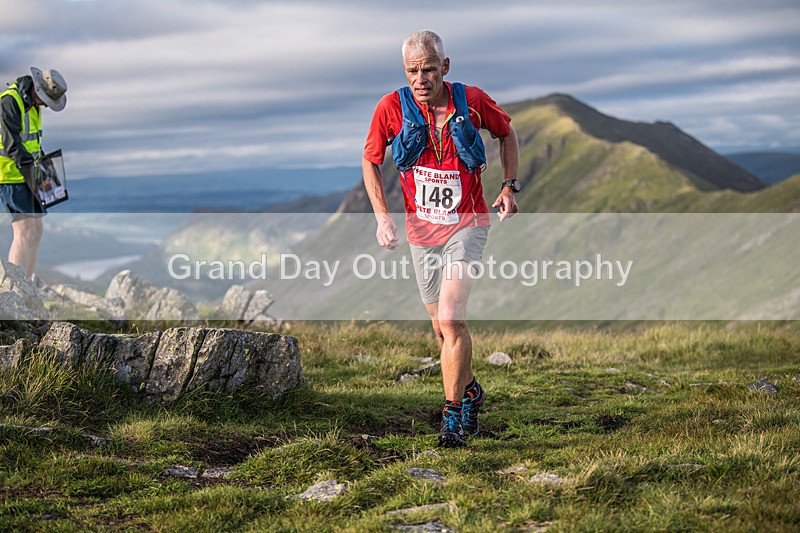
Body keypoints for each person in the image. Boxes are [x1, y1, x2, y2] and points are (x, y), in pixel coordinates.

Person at [362, 30, 521, 447]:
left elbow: (507, 133)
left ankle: (453, 416)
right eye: (413, 70)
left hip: (468, 226)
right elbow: (370, 160)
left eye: (429, 68)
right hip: (421, 234)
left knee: (451, 317)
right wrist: (382, 217)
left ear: (444, 67)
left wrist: (508, 186)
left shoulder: (472, 101)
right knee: (441, 328)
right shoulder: (390, 108)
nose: (421, 78)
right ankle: (471, 390)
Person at [0, 67, 68, 277]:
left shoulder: (33, 105)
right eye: (46, 100)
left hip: (25, 173)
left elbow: (33, 144)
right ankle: (16, 288)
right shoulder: (10, 102)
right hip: (9, 175)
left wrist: (45, 171)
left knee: (36, 232)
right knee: (25, 232)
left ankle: (26, 284)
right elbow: (11, 146)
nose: (47, 105)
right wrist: (37, 176)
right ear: (37, 90)